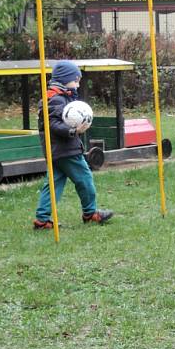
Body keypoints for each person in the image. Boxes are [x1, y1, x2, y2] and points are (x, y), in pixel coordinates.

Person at [32, 60, 113, 230]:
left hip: (55, 151)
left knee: (53, 185)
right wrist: (73, 131)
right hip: (66, 150)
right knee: (85, 179)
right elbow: (52, 124)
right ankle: (90, 213)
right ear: (64, 80)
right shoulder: (56, 100)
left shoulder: (59, 97)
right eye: (75, 80)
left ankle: (42, 219)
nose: (78, 84)